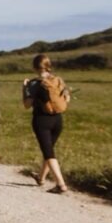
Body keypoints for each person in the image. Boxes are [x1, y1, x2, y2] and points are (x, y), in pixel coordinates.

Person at [23, 54, 70, 194]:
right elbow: (67, 99)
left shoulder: (33, 83)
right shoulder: (58, 80)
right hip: (58, 120)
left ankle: (61, 184)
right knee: (48, 150)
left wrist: (24, 89)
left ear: (34, 67)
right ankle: (41, 178)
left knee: (49, 153)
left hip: (41, 120)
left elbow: (27, 104)